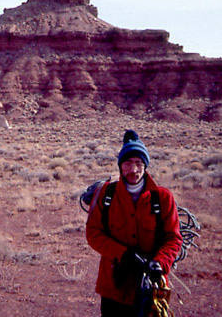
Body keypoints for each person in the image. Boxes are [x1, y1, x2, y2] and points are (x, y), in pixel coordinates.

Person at [86, 130, 183, 316]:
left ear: (145, 166)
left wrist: (159, 263)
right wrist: (124, 255)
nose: (133, 170)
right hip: (113, 287)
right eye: (128, 163)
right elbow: (93, 234)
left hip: (151, 288)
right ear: (120, 166)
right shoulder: (106, 194)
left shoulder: (162, 197)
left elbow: (173, 238)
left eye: (139, 163)